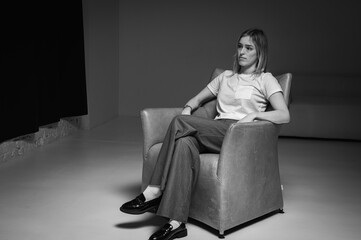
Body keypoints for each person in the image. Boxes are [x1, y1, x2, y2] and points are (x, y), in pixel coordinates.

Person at [119, 28, 290, 240]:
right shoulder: (225, 77)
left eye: (249, 48)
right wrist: (188, 110)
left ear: (260, 53)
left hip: (239, 135)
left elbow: (284, 115)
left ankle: (154, 190)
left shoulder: (266, 79)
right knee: (184, 144)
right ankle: (176, 223)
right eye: (239, 46)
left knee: (181, 124)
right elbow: (195, 100)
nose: (242, 52)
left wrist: (254, 115)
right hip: (215, 131)